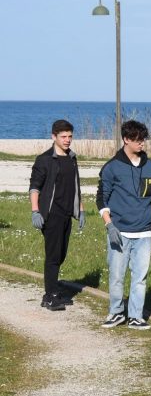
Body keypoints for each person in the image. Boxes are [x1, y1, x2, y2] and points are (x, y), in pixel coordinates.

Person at [96, 120, 151, 330]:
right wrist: (109, 225)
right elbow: (101, 198)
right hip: (119, 232)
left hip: (144, 233)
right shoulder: (112, 167)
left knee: (140, 278)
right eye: (138, 140)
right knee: (116, 277)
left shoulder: (149, 166)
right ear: (126, 140)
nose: (142, 144)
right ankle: (116, 313)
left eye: (143, 139)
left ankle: (136, 316)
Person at [29, 119, 85, 311]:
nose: (67, 140)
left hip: (67, 214)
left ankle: (53, 290)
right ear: (54, 136)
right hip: (50, 215)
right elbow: (34, 187)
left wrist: (81, 210)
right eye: (63, 137)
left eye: (70, 136)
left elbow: (76, 187)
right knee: (53, 256)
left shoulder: (72, 158)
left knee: (61, 254)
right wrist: (35, 211)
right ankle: (50, 295)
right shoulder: (44, 159)